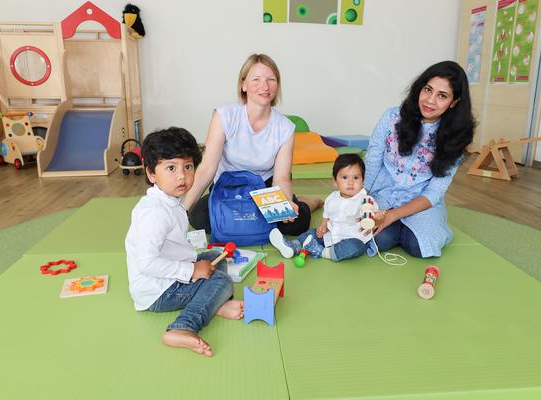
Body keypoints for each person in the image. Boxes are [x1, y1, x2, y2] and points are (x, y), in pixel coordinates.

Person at [125, 127, 244, 357]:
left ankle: (213, 304)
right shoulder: (154, 213)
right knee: (221, 283)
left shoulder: (170, 200)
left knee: (213, 257)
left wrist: (194, 265)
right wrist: (190, 270)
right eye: (171, 168)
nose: (182, 176)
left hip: (170, 273)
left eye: (187, 167)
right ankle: (183, 327)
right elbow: (147, 263)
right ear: (151, 174)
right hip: (157, 291)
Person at [183, 53, 322, 236]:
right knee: (199, 218)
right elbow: (207, 168)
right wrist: (182, 211)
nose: (264, 86)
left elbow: (281, 178)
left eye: (271, 80)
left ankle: (309, 202)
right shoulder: (224, 116)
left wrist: (287, 202)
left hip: (265, 187)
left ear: (277, 85)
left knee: (295, 224)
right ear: (243, 85)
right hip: (229, 187)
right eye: (256, 79)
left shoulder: (285, 128)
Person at [364, 61, 475, 258]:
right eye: (428, 90)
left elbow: (434, 191)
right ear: (420, 88)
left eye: (442, 96)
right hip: (382, 193)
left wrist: (392, 215)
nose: (430, 100)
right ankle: (397, 227)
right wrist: (360, 199)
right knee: (376, 238)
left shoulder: (456, 137)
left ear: (454, 101)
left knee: (418, 246)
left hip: (420, 202)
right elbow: (372, 160)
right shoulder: (391, 117)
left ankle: (410, 225)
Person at [270, 153, 380, 261]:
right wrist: (323, 226)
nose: (350, 182)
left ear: (363, 180)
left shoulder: (365, 198)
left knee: (355, 247)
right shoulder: (332, 198)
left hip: (352, 237)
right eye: (345, 177)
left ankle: (322, 252)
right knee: (312, 233)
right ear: (335, 181)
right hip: (331, 234)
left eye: (356, 178)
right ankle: (293, 246)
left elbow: (370, 212)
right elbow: (326, 214)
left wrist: (376, 216)